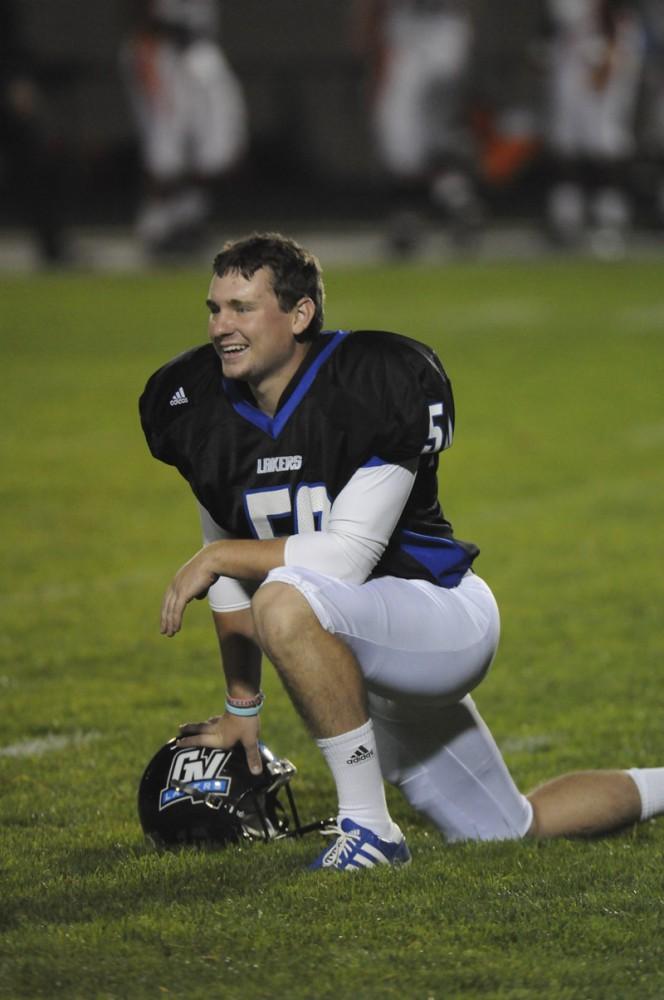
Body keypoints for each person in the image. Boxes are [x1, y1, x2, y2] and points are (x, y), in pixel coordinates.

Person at [139, 232, 664, 871]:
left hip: (437, 615)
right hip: (356, 653)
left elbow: (346, 557)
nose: (222, 326)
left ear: (299, 314)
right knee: (506, 829)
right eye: (215, 308)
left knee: (283, 595)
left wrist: (223, 558)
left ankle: (371, 831)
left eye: (243, 307)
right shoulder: (197, 407)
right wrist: (240, 708)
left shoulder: (373, 380)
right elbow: (225, 565)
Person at [352, 0, 482, 254]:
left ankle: (442, 204)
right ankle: (448, 202)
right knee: (397, 131)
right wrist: (366, 40)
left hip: (443, 26)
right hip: (404, 32)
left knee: (434, 126)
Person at [120, 0, 247, 258]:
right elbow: (140, 13)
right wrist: (147, 52)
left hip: (195, 50)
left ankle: (186, 220)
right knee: (165, 152)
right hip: (163, 50)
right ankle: (156, 228)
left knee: (213, 149)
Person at [539, 0, 644, 255]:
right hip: (575, 53)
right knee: (567, 139)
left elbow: (614, 19)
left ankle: (610, 218)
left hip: (606, 49)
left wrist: (607, 59)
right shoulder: (569, 16)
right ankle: (568, 215)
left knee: (606, 140)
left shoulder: (617, 21)